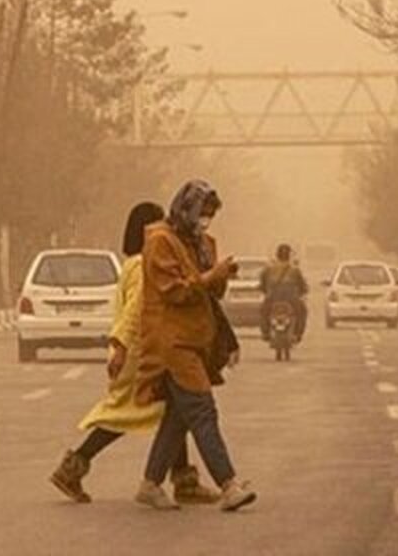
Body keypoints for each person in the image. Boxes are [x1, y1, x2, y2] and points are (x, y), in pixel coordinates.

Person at [48, 202, 219, 505]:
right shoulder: (144, 265)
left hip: (141, 349)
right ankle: (74, 466)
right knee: (126, 413)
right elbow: (135, 310)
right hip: (143, 353)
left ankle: (184, 480)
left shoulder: (133, 262)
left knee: (175, 411)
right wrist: (122, 347)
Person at [133, 180, 256, 512]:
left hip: (196, 340)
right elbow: (175, 291)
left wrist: (220, 276)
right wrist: (211, 276)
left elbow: (211, 294)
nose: (205, 221)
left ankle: (150, 484)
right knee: (202, 410)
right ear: (185, 208)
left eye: (210, 215)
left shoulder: (201, 243)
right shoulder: (160, 241)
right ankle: (229, 484)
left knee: (179, 417)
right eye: (202, 212)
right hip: (173, 343)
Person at [259, 243, 308, 342]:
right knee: (302, 312)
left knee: (263, 312)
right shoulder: (295, 269)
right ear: (289, 255)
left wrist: (265, 291)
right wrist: (303, 291)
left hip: (272, 298)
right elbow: (302, 286)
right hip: (291, 298)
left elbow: (262, 284)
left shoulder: (269, 269)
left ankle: (266, 333)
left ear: (277, 254)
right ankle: (297, 334)